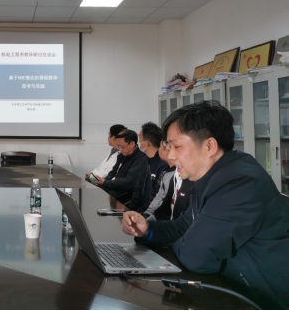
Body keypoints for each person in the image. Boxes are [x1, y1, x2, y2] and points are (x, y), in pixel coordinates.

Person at [122, 101, 289, 310]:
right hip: (233, 288)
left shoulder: (239, 182)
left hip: (263, 300)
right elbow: (183, 225)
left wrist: (186, 240)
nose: (170, 156)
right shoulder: (211, 175)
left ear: (209, 146)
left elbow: (196, 256)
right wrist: (147, 230)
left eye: (176, 146)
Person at [125, 123, 169, 213]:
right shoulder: (145, 159)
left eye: (140, 139)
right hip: (141, 209)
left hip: (152, 212)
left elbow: (157, 195)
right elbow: (139, 187)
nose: (138, 142)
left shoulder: (163, 164)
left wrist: (140, 212)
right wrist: (130, 209)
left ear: (147, 144)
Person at [96, 130, 147, 204]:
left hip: (124, 195)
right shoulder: (121, 156)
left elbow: (129, 182)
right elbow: (112, 173)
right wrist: (103, 181)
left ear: (132, 144)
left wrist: (105, 182)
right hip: (112, 188)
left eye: (122, 147)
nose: (119, 149)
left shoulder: (140, 159)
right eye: (118, 146)